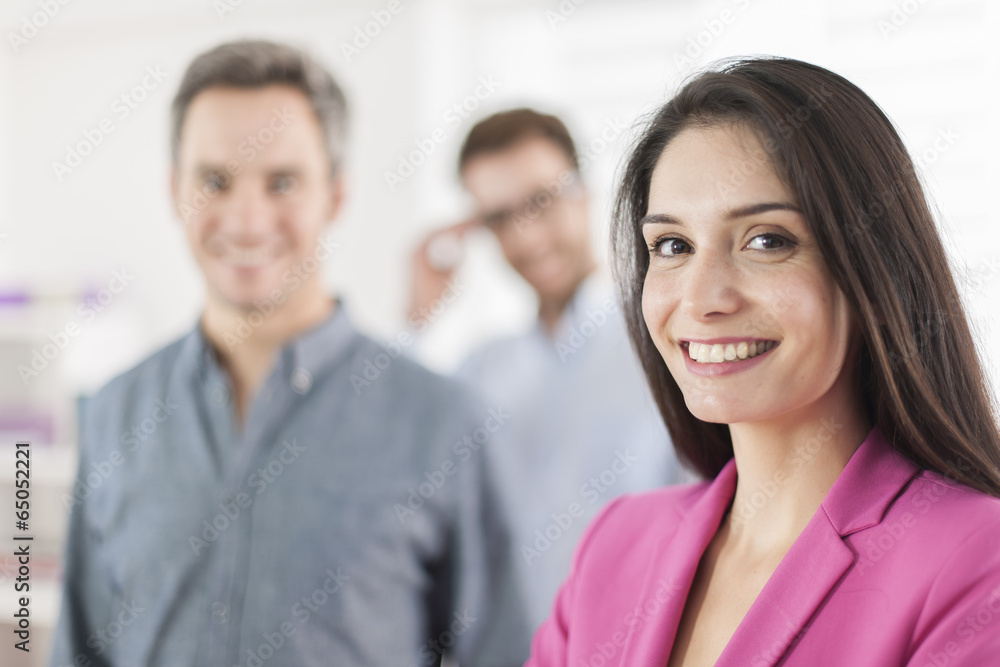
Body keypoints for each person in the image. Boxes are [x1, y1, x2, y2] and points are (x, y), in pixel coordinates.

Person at [50, 39, 524, 667]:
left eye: (282, 183)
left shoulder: (443, 423)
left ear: (335, 195)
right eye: (215, 181)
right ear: (174, 191)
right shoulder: (111, 414)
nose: (246, 220)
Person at [526, 56, 1000, 666]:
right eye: (673, 246)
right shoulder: (614, 546)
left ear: (872, 271)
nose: (701, 299)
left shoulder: (973, 557)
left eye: (767, 241)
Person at [409, 109, 685, 635]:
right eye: (499, 217)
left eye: (541, 201)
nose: (527, 237)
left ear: (585, 191)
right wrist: (418, 320)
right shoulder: (479, 371)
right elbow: (392, 479)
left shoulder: (669, 343)